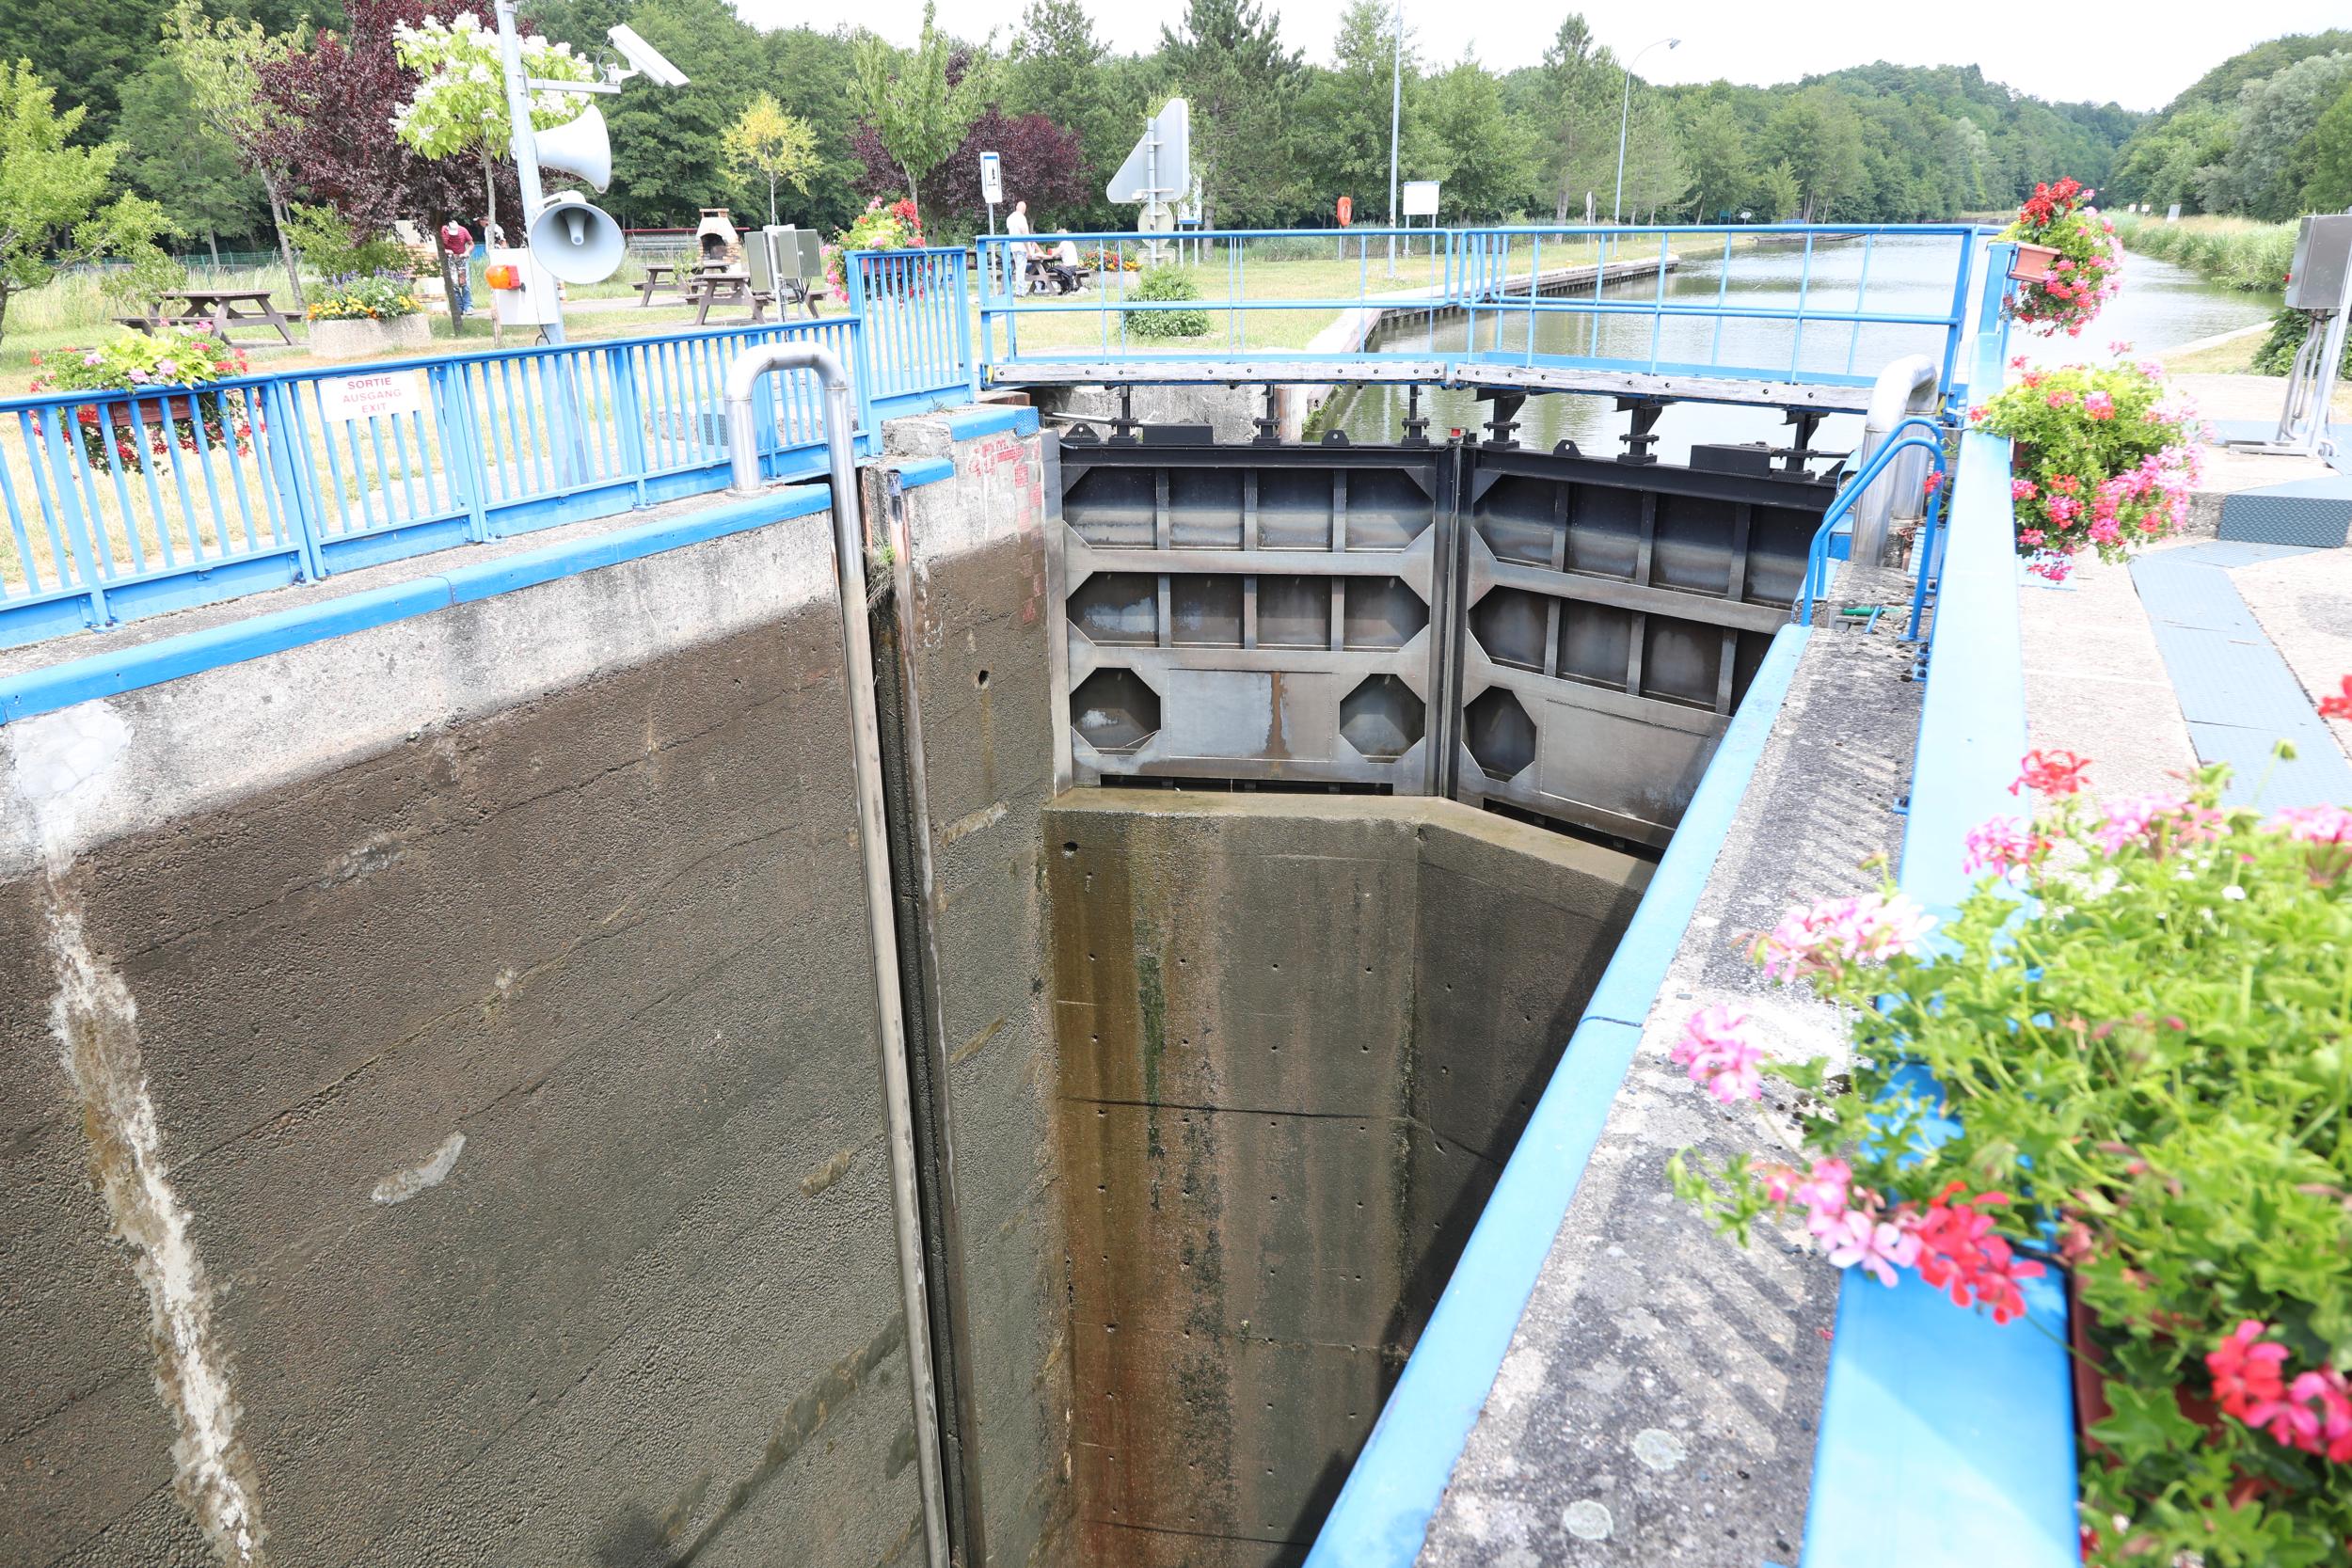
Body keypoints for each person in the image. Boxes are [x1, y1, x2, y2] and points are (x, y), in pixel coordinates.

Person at [1004, 198, 1041, 293]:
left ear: (1016, 207)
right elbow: (1024, 235)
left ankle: (1020, 289)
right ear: (1024, 209)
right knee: (1021, 269)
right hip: (1021, 247)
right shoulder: (1021, 218)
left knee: (1018, 268)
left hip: (1013, 246)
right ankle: (1021, 290)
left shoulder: (1010, 218)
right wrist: (1028, 250)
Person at [437, 218, 473, 314]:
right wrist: (446, 251)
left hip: (462, 258)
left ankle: (468, 306)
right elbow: (438, 246)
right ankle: (459, 307)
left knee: (465, 284)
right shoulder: (443, 231)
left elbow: (471, 244)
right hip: (450, 259)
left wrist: (467, 252)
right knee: (454, 284)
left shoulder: (463, 231)